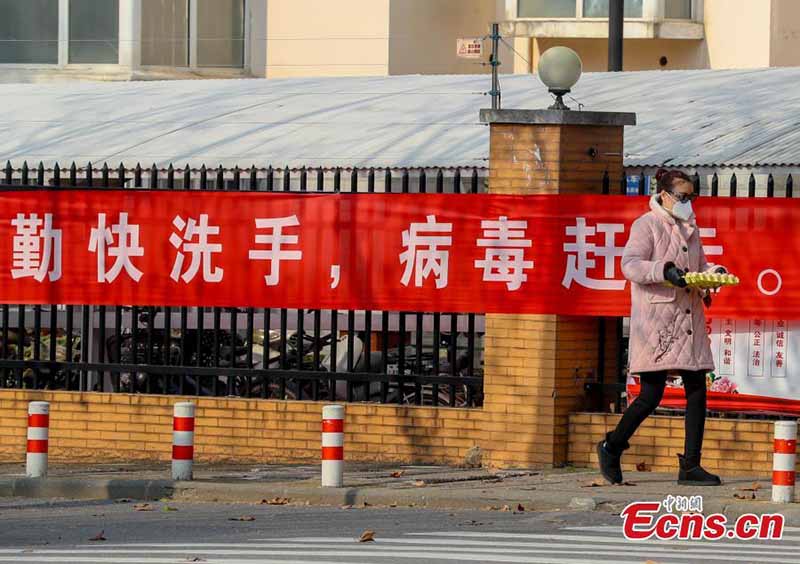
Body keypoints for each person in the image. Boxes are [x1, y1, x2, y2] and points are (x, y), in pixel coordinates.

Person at [597, 169, 727, 486]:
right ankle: (612, 446)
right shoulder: (647, 225)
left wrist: (714, 274)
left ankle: (691, 466)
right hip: (658, 322)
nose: (688, 203)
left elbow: (700, 266)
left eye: (692, 197)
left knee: (697, 390)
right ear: (665, 195)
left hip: (688, 319)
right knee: (651, 396)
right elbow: (630, 264)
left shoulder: (690, 228)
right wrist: (664, 270)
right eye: (683, 197)